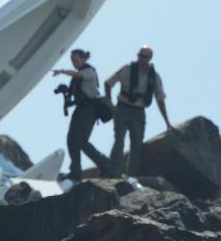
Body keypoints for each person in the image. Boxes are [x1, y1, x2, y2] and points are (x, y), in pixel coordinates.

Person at [104, 45, 174, 177]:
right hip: (122, 109)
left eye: (144, 56)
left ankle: (132, 177)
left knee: (137, 145)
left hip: (139, 113)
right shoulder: (127, 69)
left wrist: (167, 122)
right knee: (119, 141)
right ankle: (112, 173)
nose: (141, 59)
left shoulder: (154, 77)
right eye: (139, 55)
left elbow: (160, 99)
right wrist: (110, 104)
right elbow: (108, 83)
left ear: (150, 58)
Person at [52, 49, 112, 181]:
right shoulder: (77, 75)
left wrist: (62, 71)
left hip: (89, 110)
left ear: (83, 58)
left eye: (75, 60)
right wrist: (65, 91)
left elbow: (80, 76)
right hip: (80, 109)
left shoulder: (89, 71)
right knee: (71, 140)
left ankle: (106, 165)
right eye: (72, 60)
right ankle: (76, 172)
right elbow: (77, 92)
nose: (73, 63)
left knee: (81, 141)